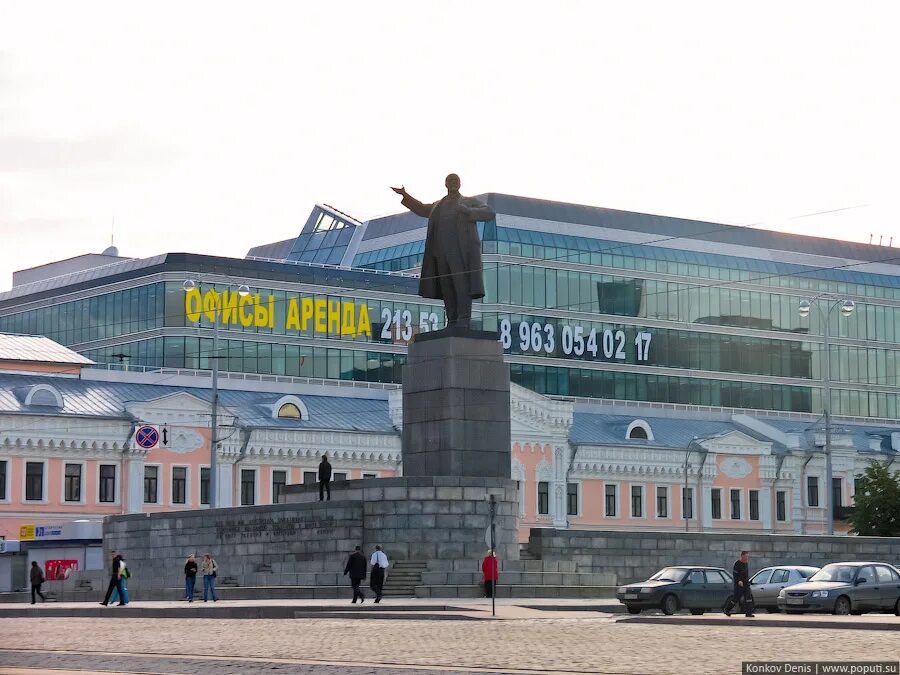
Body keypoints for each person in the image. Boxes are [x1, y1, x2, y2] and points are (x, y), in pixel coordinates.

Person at [392, 175, 496, 330]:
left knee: (462, 287)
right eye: (450, 181)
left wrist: (468, 211)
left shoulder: (468, 202)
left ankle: (463, 320)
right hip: (440, 254)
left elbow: (489, 213)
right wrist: (405, 196)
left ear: (460, 184)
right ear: (445, 184)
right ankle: (452, 320)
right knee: (447, 288)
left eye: (456, 181)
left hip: (461, 254)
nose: (453, 183)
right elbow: (421, 208)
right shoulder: (438, 205)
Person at [724, 550, 754, 617]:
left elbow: (746, 574)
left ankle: (748, 613)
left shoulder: (746, 563)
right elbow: (735, 574)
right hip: (739, 585)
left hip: (746, 584)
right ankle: (727, 610)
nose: (746, 558)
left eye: (747, 557)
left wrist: (748, 582)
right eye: (745, 556)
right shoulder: (737, 563)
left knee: (748, 598)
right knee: (736, 598)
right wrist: (739, 581)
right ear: (742, 556)